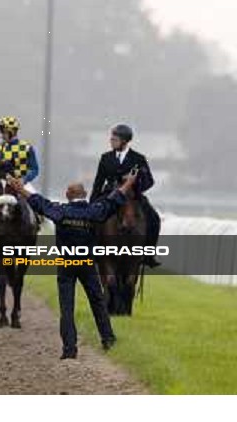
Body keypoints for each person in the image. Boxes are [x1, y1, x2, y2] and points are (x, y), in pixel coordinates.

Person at [9, 172, 137, 360]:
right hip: (87, 264)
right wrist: (129, 183)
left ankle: (70, 349)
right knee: (98, 303)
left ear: (69, 195)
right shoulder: (95, 211)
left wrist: (20, 188)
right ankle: (108, 339)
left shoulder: (60, 211)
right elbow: (114, 200)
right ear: (84, 195)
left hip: (67, 265)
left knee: (67, 307)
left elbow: (38, 202)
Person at [90, 123, 161, 267]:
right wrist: (92, 203)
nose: (111, 141)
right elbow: (98, 182)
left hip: (133, 196)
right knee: (93, 218)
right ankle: (92, 251)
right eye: (111, 138)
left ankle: (148, 255)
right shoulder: (105, 158)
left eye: (114, 139)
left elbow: (150, 181)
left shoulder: (139, 158)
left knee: (154, 218)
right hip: (109, 195)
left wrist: (135, 186)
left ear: (124, 141)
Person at [0, 116, 39, 194]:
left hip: (23, 184)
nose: (1, 135)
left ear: (12, 132)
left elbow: (34, 169)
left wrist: (23, 179)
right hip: (5, 183)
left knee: (35, 201)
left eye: (3, 132)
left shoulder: (27, 147)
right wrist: (1, 178)